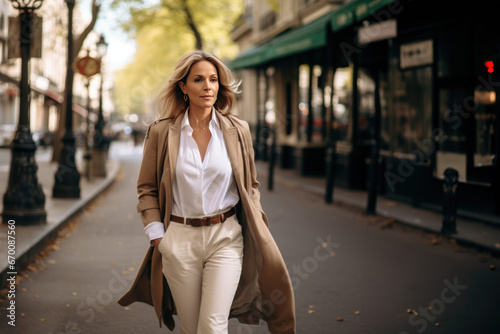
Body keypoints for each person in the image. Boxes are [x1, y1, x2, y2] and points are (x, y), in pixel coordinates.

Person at [118, 50, 296, 334]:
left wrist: (257, 223)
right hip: (178, 239)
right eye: (198, 79)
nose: (208, 86)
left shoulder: (238, 130)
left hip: (225, 237)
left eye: (213, 79)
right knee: (191, 327)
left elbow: (251, 185)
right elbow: (147, 188)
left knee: (212, 326)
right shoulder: (161, 132)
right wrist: (157, 236)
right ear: (183, 87)